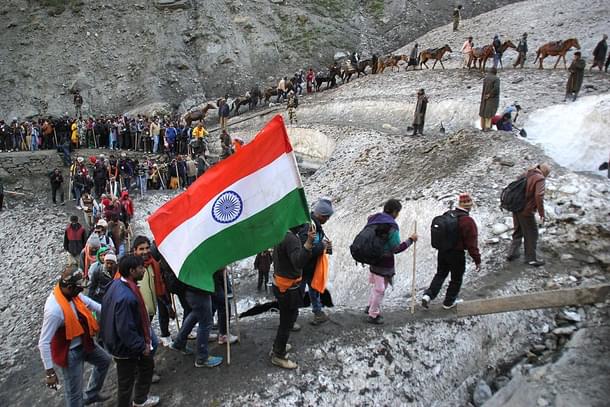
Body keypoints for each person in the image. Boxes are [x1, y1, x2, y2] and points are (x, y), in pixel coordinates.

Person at [38, 265, 111, 407]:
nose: (81, 291)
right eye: (79, 288)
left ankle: (91, 395)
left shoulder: (73, 295)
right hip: (70, 353)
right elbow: (43, 342)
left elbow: (91, 304)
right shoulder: (54, 310)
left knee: (105, 361)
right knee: (74, 394)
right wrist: (50, 372)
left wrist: (113, 310)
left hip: (84, 343)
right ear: (70, 287)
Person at [100, 255, 160, 407]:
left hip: (124, 343)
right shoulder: (127, 297)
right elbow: (125, 329)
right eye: (141, 268)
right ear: (132, 271)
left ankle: (140, 399)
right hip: (125, 348)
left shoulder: (118, 285)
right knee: (126, 383)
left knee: (147, 367)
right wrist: (141, 346)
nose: (144, 270)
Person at [422, 193, 481, 309]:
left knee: (440, 274)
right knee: (456, 278)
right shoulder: (468, 221)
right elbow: (472, 245)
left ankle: (428, 295)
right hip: (457, 254)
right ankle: (449, 302)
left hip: (442, 251)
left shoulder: (448, 214)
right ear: (469, 206)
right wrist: (477, 259)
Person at [365, 199, 418, 324]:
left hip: (373, 258)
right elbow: (396, 248)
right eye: (398, 212)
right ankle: (373, 314)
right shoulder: (392, 226)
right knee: (380, 289)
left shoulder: (374, 219)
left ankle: (370, 307)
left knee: (377, 288)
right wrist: (411, 240)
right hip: (385, 263)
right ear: (394, 212)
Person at [270, 224, 315, 369]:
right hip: (288, 288)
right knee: (287, 321)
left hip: (280, 284)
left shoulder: (281, 233)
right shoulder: (291, 239)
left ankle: (278, 345)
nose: (303, 226)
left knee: (287, 318)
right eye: (301, 224)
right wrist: (308, 243)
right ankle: (278, 355)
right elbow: (298, 262)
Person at [506, 163, 551, 267]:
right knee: (532, 233)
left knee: (518, 230)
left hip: (516, 206)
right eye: (547, 174)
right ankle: (531, 259)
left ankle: (512, 253)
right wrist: (541, 212)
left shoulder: (527, 173)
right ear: (545, 172)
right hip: (526, 210)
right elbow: (539, 195)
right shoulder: (539, 178)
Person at [298, 198, 334, 326]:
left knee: (314, 290)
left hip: (311, 266)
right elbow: (305, 248)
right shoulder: (308, 225)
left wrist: (327, 247)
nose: (327, 220)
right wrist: (322, 246)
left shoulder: (317, 226)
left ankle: (318, 313)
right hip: (303, 267)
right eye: (327, 217)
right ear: (321, 215)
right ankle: (290, 319)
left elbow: (317, 245)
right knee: (299, 293)